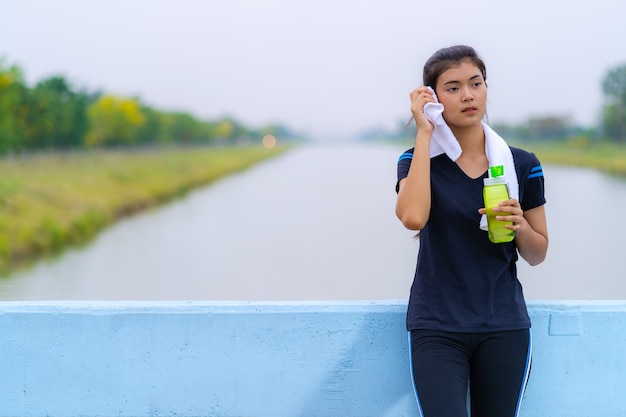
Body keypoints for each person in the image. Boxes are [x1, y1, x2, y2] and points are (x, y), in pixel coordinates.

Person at [395, 45, 549, 417]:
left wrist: (520, 224)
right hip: (437, 325)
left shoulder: (521, 164)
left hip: (504, 324)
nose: (468, 95)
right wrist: (423, 132)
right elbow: (413, 218)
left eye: (476, 83)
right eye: (453, 87)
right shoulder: (416, 162)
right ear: (432, 97)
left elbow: (537, 253)